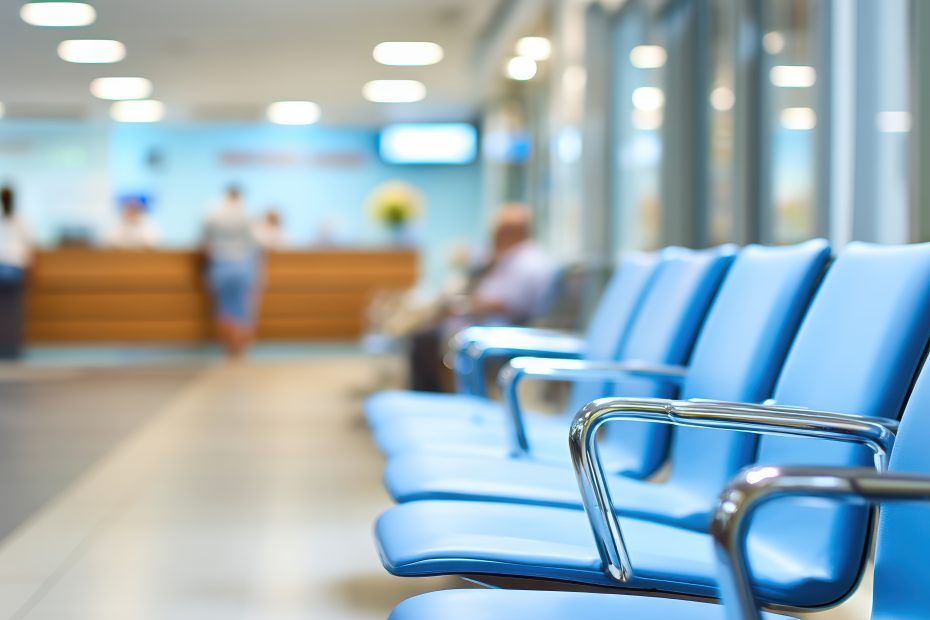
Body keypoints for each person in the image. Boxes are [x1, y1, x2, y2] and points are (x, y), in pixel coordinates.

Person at [408, 203, 556, 392]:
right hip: (490, 327)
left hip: (501, 332)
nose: (492, 238)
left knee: (424, 339)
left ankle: (432, 399)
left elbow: (505, 304)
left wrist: (459, 306)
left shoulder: (527, 263)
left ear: (510, 232)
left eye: (496, 232)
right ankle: (433, 398)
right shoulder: (514, 259)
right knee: (425, 334)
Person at [202, 186, 262, 359]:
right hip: (243, 265)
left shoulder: (213, 213)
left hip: (220, 265)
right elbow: (257, 241)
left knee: (223, 309)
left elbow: (205, 241)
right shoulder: (248, 214)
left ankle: (230, 348)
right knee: (243, 309)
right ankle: (240, 349)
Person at [0, 186, 31, 359]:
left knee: (14, 310)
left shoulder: (20, 223)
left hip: (15, 269)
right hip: (6, 267)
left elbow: (27, 250)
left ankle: (12, 346)